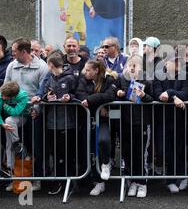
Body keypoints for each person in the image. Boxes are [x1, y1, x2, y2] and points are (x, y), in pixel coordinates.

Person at [5, 38, 49, 191]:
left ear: (24, 52)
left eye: (14, 51)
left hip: (34, 113)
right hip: (17, 111)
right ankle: (16, 179)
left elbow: (43, 91)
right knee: (10, 133)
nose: (12, 53)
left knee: (36, 147)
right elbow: (5, 88)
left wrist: (36, 109)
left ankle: (36, 179)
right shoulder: (11, 66)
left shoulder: (42, 67)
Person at [76, 60, 117, 196]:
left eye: (88, 70)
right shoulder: (83, 80)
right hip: (88, 120)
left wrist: (92, 101)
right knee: (90, 152)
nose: (85, 72)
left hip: (105, 120)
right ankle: (98, 182)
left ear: (96, 71)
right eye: (85, 70)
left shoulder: (108, 79)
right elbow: (81, 96)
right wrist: (99, 107)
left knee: (103, 141)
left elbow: (110, 95)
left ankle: (106, 163)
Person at [116, 55, 154, 198]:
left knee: (140, 153)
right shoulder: (122, 80)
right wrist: (118, 93)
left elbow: (152, 99)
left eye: (135, 65)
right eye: (130, 65)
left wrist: (144, 95)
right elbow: (115, 93)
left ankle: (142, 182)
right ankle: (132, 181)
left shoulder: (147, 81)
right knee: (128, 153)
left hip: (142, 122)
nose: (132, 68)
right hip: (126, 122)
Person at [153, 56, 188, 193]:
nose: (177, 64)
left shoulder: (185, 76)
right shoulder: (159, 77)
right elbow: (157, 94)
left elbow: (186, 94)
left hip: (180, 120)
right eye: (174, 61)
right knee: (164, 150)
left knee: (179, 150)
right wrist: (175, 97)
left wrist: (170, 93)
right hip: (162, 119)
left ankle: (179, 177)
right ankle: (172, 179)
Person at [42, 53, 78, 195]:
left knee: (67, 154)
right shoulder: (50, 78)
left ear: (51, 64)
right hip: (52, 123)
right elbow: (44, 94)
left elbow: (78, 94)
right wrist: (47, 97)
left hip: (67, 123)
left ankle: (69, 183)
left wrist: (69, 97)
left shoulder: (70, 78)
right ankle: (58, 181)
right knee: (55, 154)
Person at [0, 81, 30, 191]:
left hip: (22, 118)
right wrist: (1, 123)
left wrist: (5, 105)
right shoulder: (2, 93)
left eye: (5, 97)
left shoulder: (23, 95)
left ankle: (16, 142)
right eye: (2, 95)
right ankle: (10, 168)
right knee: (9, 144)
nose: (2, 97)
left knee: (9, 119)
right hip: (8, 124)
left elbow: (15, 112)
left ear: (12, 96)